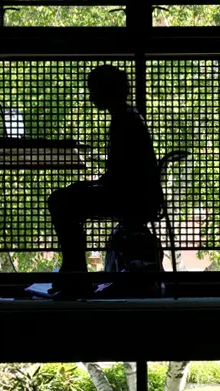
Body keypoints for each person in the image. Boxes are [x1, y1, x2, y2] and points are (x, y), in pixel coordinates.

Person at [47, 65, 161, 299]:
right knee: (68, 199)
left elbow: (118, 178)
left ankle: (75, 275)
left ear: (106, 90)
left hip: (131, 198)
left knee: (61, 201)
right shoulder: (128, 118)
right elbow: (121, 174)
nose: (90, 97)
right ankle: (74, 274)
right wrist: (91, 185)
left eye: (93, 90)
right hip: (138, 196)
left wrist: (88, 186)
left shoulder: (123, 122)